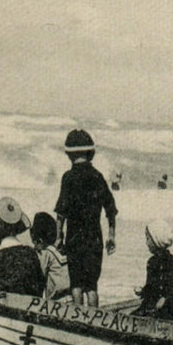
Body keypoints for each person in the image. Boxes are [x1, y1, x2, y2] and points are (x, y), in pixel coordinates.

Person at [54, 128, 117, 307]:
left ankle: (78, 320)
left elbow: (61, 211)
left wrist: (59, 236)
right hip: (94, 238)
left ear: (69, 155)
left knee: (76, 284)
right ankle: (94, 320)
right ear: (91, 153)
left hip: (74, 238)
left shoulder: (68, 177)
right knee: (92, 286)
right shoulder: (97, 176)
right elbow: (110, 208)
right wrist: (111, 235)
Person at [134, 220, 173, 321]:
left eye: (148, 239)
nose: (146, 242)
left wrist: (165, 298)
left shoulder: (171, 261)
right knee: (138, 314)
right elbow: (150, 286)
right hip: (152, 304)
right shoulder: (151, 262)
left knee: (169, 316)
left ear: (157, 240)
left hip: (168, 305)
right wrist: (142, 291)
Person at [30, 212, 70, 301]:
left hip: (57, 302)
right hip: (72, 298)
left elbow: (40, 279)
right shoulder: (65, 251)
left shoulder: (46, 254)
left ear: (40, 240)